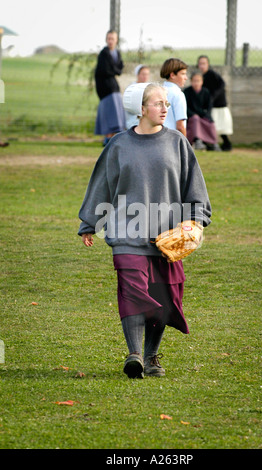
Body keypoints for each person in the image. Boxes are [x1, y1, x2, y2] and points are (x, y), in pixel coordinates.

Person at [78, 82, 212, 379]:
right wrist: (90, 222)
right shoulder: (119, 145)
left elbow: (195, 188)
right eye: (157, 104)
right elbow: (101, 184)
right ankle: (134, 354)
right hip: (127, 233)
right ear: (140, 109)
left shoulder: (177, 143)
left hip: (167, 237)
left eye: (166, 103)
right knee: (132, 291)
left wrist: (196, 220)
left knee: (164, 297)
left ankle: (151, 356)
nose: (165, 108)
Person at [94, 30, 126, 146]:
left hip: (113, 86)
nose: (110, 41)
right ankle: (107, 138)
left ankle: (114, 137)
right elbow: (106, 70)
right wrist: (115, 70)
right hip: (105, 88)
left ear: (116, 40)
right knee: (108, 112)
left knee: (116, 112)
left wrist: (115, 70)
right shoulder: (104, 53)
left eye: (112, 39)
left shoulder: (116, 53)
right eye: (108, 39)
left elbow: (119, 68)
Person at [197, 55, 233, 151]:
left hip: (218, 104)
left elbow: (222, 84)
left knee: (220, 126)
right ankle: (210, 144)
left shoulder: (212, 74)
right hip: (211, 105)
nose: (202, 66)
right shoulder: (202, 77)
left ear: (208, 64)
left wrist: (213, 97)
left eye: (204, 63)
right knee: (211, 126)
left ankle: (226, 144)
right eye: (200, 64)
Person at [183, 71, 221, 151]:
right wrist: (193, 114)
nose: (196, 83)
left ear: (202, 82)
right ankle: (197, 140)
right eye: (194, 81)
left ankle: (213, 143)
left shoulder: (206, 92)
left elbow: (209, 106)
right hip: (191, 117)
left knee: (210, 122)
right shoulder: (187, 92)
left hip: (202, 115)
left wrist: (207, 115)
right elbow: (185, 107)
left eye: (198, 81)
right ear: (191, 81)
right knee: (196, 119)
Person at [160, 58, 188, 136]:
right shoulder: (178, 94)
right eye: (183, 74)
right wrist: (185, 146)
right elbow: (180, 126)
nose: (186, 77)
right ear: (172, 75)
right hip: (172, 140)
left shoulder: (157, 91)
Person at [125, 65, 150, 129]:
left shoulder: (149, 87)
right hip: (133, 121)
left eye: (147, 74)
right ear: (137, 75)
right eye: (143, 74)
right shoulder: (132, 88)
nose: (145, 76)